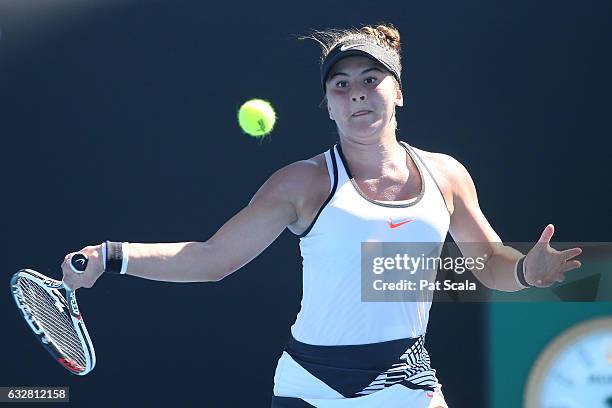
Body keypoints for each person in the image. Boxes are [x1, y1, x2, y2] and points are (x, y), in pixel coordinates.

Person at [61, 23, 583, 408]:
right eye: (341, 84)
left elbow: (487, 262)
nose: (356, 91)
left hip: (406, 381)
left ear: (397, 93)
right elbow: (212, 258)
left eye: (371, 78)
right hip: (311, 387)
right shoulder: (303, 183)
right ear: (329, 106)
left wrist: (524, 271)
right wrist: (112, 255)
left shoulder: (446, 176)